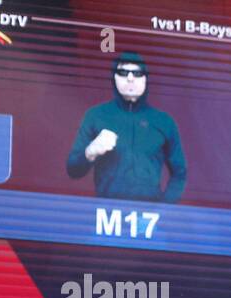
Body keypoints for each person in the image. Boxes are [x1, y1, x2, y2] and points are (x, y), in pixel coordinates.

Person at [66, 52, 187, 203]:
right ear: (114, 77)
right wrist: (91, 151)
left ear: (145, 78)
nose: (130, 78)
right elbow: (73, 170)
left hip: (148, 218)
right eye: (123, 72)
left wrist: (162, 210)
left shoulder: (164, 122)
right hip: (105, 216)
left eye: (137, 73)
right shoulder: (96, 115)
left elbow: (180, 174)